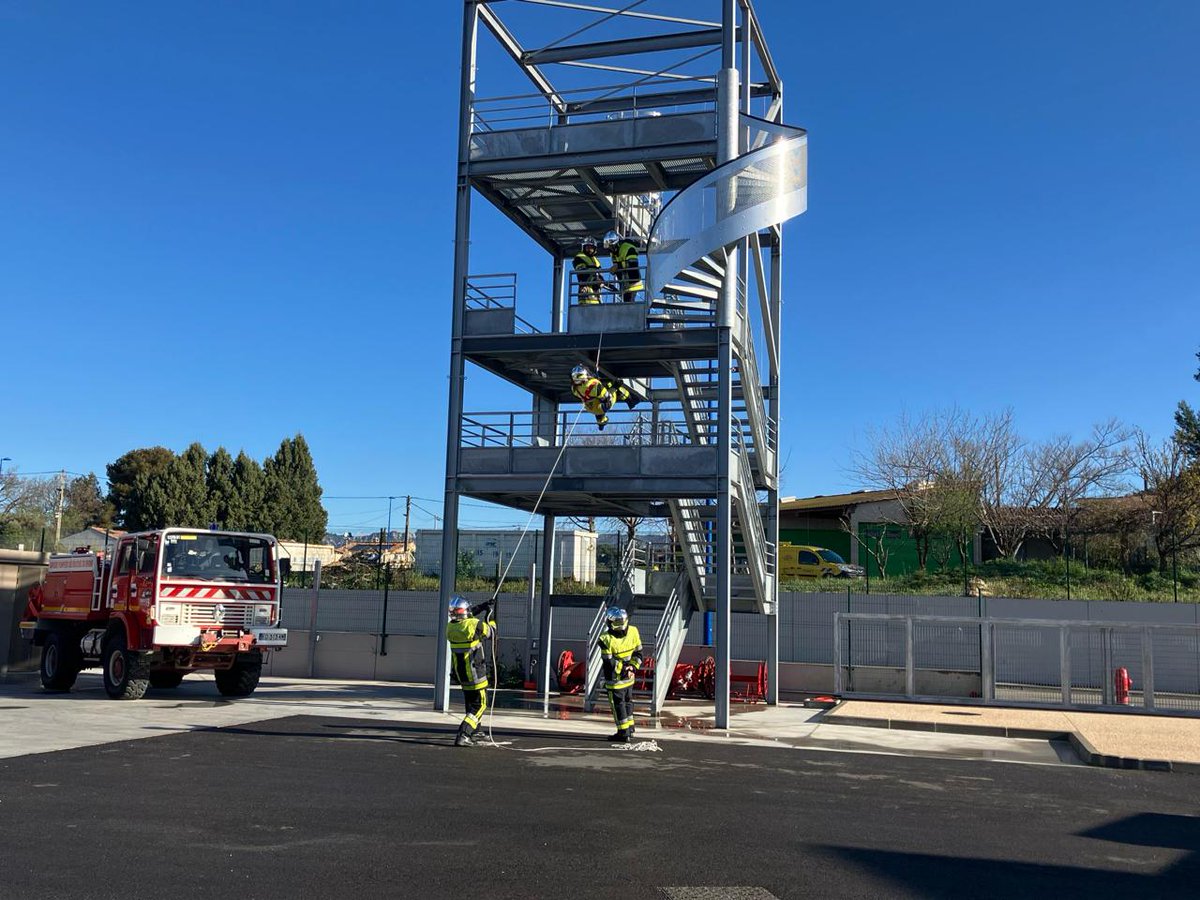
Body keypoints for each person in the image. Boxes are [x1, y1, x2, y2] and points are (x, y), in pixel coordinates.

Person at [446, 594, 496, 747]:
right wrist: (490, 616)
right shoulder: (475, 624)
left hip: (462, 673)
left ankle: (476, 731)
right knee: (481, 704)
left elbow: (469, 615)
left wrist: (482, 606)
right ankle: (464, 733)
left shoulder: (451, 627)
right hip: (476, 672)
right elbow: (491, 633)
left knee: (470, 702)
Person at [597, 606, 642, 743]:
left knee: (618, 705)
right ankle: (630, 730)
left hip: (615, 680)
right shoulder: (634, 631)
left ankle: (623, 733)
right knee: (628, 702)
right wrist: (632, 668)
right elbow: (639, 654)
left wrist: (623, 670)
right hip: (630, 678)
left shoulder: (605, 639)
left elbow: (610, 663)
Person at [570, 364, 636, 430]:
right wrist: (615, 386)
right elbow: (607, 397)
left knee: (597, 404)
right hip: (602, 406)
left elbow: (587, 390)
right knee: (611, 386)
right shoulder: (594, 386)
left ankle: (601, 423)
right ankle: (630, 400)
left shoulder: (574, 389)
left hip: (589, 407)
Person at [603, 230, 644, 303]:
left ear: (616, 244)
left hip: (633, 282)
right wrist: (614, 270)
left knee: (629, 305)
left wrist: (617, 266)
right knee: (627, 303)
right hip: (624, 284)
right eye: (609, 248)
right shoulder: (613, 253)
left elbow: (632, 264)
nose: (610, 250)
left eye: (611, 247)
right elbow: (617, 267)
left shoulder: (628, 248)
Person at [573, 236, 605, 304]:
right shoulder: (579, 257)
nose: (589, 249)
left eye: (591, 248)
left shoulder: (596, 261)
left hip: (596, 296)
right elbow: (583, 274)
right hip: (585, 295)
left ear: (594, 249)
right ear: (584, 248)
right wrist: (596, 281)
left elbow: (600, 276)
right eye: (587, 247)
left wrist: (604, 282)